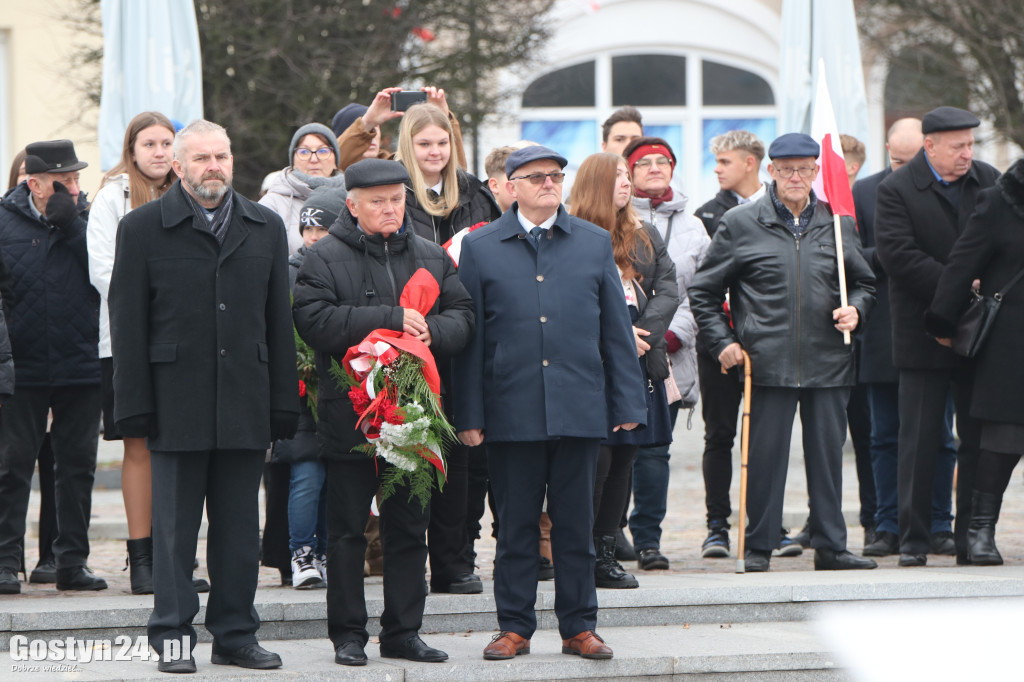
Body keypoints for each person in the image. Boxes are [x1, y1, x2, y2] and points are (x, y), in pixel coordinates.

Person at [109, 119, 298, 673]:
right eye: (202, 158)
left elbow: (276, 322)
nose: (214, 166)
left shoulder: (264, 226)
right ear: (179, 166)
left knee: (240, 531)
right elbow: (128, 323)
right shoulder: (142, 228)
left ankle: (236, 635)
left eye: (222, 156)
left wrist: (281, 400)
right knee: (173, 533)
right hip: (175, 399)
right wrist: (132, 405)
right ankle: (172, 637)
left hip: (245, 398)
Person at [454, 145, 647, 661]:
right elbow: (472, 341)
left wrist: (627, 400)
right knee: (515, 525)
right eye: (535, 176)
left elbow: (615, 330)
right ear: (510, 185)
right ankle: (513, 627)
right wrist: (469, 415)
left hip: (579, 407)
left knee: (575, 526)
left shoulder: (591, 242)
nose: (547, 183)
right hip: (510, 409)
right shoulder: (483, 246)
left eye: (555, 176)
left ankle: (579, 627)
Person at [292, 158, 473, 667]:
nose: (390, 209)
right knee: (348, 531)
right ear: (352, 205)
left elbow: (464, 317)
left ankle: (403, 631)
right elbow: (314, 321)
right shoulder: (324, 257)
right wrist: (391, 320)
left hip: (414, 416)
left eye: (396, 199)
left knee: (409, 526)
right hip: (350, 416)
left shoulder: (432, 256)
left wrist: (429, 335)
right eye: (377, 201)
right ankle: (348, 635)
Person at [689, 132, 878, 573]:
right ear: (770, 171)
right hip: (765, 364)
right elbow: (704, 292)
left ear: (816, 171)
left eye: (805, 169)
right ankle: (758, 546)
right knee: (764, 459)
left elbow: (865, 283)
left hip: (829, 358)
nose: (796, 177)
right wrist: (724, 342)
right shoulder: (740, 222)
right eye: (787, 169)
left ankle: (831, 545)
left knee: (829, 460)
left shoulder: (837, 222)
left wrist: (858, 311)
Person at [86, 111, 212, 595]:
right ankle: (142, 560)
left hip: (188, 345)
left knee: (183, 449)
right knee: (138, 449)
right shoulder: (111, 198)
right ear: (132, 150)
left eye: (166, 144)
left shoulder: (196, 196)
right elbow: (105, 271)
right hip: (125, 342)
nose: (159, 152)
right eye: (150, 144)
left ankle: (178, 557)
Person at [875, 106, 1000, 567]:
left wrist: (975, 293)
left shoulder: (988, 180)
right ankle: (913, 539)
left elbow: (1004, 246)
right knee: (920, 440)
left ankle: (971, 538)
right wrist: (959, 288)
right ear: (929, 146)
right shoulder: (897, 189)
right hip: (922, 331)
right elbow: (899, 257)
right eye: (958, 146)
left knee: (977, 441)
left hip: (981, 333)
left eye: (970, 144)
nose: (967, 154)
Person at [394, 100, 500, 595]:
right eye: (424, 144)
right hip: (406, 342)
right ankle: (409, 560)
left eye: (442, 143)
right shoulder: (392, 194)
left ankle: (456, 560)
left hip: (463, 337)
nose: (435, 152)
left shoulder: (477, 194)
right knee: (414, 455)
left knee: (465, 455)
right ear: (408, 147)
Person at [0, 139, 106, 594]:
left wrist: (75, 226)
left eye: (78, 178)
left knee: (77, 465)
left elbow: (104, 274)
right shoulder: (3, 221)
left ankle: (71, 562)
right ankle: (6, 563)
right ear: (35, 183)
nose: (75, 188)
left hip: (79, 362)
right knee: (12, 464)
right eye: (66, 181)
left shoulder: (86, 221)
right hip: (21, 366)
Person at [569, 152, 678, 588]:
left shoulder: (642, 233)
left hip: (638, 364)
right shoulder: (571, 234)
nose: (626, 182)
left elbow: (668, 287)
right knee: (596, 461)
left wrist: (642, 333)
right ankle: (582, 552)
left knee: (625, 462)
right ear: (595, 184)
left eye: (625, 176)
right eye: (615, 176)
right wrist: (615, 334)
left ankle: (606, 554)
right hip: (593, 369)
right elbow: (566, 301)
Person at [852, 119, 957, 558]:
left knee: (940, 435)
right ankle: (886, 523)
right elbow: (852, 257)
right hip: (880, 330)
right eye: (897, 161)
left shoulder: (953, 188)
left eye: (913, 160)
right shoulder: (865, 193)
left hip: (936, 327)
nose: (906, 169)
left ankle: (938, 522)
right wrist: (899, 254)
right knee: (885, 435)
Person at [925, 157, 1024, 565]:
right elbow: (963, 263)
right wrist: (942, 319)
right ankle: (980, 531)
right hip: (1013, 346)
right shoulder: (1001, 201)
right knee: (1003, 441)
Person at [621, 137, 710, 570]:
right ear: (629, 172)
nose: (655, 168)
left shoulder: (693, 226)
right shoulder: (612, 218)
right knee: (616, 447)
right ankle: (610, 534)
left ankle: (648, 540)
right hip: (618, 349)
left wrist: (671, 334)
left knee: (656, 449)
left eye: (663, 162)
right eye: (645, 163)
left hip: (669, 353)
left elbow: (699, 293)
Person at [692, 130, 767, 558]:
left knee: (764, 438)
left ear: (750, 163)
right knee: (719, 434)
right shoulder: (707, 215)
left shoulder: (778, 210)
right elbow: (703, 285)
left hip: (767, 343)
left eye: (724, 162)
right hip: (718, 345)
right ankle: (716, 525)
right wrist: (721, 338)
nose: (717, 170)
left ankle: (762, 522)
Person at [274, 186, 346, 590]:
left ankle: (322, 551)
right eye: (308, 227)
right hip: (301, 392)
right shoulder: (287, 269)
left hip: (337, 387)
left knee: (330, 478)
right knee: (306, 477)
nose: (314, 236)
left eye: (323, 228)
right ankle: (301, 552)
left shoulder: (343, 265)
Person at [332, 86, 469, 171]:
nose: (372, 135)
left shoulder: (396, 166)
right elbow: (334, 162)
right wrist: (367, 122)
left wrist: (443, 120)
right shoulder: (331, 176)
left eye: (376, 128)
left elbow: (456, 172)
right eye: (368, 131)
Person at [258, 122, 346, 254]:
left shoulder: (352, 199)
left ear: (335, 159)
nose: (314, 159)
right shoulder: (271, 204)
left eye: (323, 151)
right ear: (293, 159)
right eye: (304, 152)